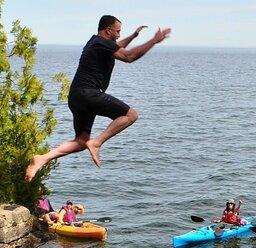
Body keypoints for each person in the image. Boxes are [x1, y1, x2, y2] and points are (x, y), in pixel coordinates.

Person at [25, 16, 171, 182]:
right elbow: (128, 56)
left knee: (81, 141)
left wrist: (132, 36)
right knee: (131, 115)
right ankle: (97, 143)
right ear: (108, 30)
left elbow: (117, 46)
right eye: (117, 31)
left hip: (76, 96)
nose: (118, 34)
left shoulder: (95, 42)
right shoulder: (100, 43)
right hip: (89, 93)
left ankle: (42, 158)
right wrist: (154, 40)